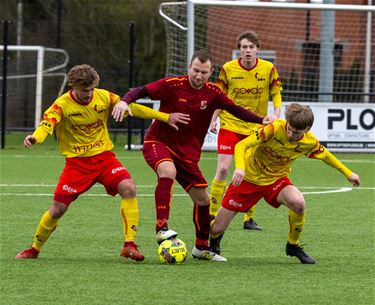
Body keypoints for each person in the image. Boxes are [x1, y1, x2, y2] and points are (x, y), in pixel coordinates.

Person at [112, 50, 276, 262]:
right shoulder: (172, 84)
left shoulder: (213, 93)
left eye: (204, 72)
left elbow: (235, 109)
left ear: (211, 72)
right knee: (167, 171)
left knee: (203, 200)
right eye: (195, 70)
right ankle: (162, 227)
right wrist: (124, 101)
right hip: (159, 143)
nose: (198, 76)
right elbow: (139, 90)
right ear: (189, 67)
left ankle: (201, 247)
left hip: (188, 154)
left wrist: (261, 119)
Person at [15, 64, 190, 261]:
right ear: (73, 86)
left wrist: (165, 117)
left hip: (105, 159)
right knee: (57, 209)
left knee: (129, 188)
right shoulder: (61, 105)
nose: (89, 94)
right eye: (84, 90)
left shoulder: (104, 97)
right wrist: (35, 138)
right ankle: (34, 248)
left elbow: (132, 108)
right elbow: (46, 126)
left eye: (91, 89)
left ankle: (129, 245)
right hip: (77, 164)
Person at [209, 103, 361, 264]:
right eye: (289, 128)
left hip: (276, 180)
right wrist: (240, 168)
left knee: (299, 203)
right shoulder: (273, 129)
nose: (290, 134)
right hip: (248, 180)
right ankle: (213, 243)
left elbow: (326, 156)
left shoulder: (309, 142)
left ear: (307, 129)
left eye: (296, 132)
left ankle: (292, 245)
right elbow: (242, 145)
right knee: (216, 228)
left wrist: (348, 173)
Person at [209, 31, 282, 231]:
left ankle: (249, 218)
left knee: (252, 170)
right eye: (244, 47)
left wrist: (276, 113)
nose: (247, 50)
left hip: (255, 126)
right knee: (224, 169)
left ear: (257, 49)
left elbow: (276, 93)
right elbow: (219, 97)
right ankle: (212, 214)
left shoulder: (268, 68)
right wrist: (214, 119)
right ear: (238, 50)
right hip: (230, 124)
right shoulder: (228, 69)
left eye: (251, 47)